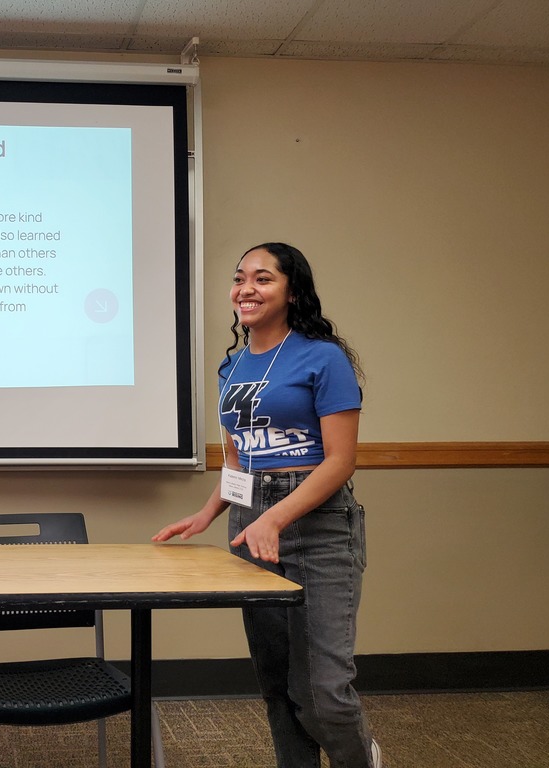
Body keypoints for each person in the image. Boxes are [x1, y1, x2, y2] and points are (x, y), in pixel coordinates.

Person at [153, 242, 381, 768]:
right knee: (277, 682)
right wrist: (207, 512)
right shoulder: (231, 369)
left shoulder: (323, 357)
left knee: (323, 689)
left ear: (292, 291)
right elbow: (239, 461)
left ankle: (359, 758)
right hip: (250, 521)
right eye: (239, 279)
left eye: (263, 278)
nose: (245, 289)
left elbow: (340, 461)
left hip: (318, 526)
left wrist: (277, 516)